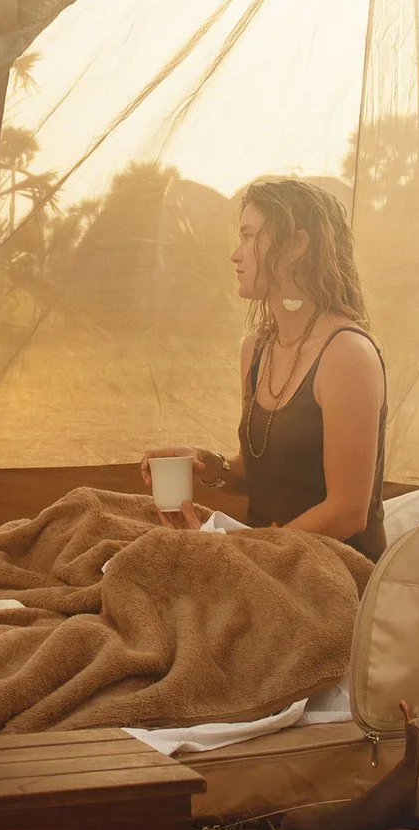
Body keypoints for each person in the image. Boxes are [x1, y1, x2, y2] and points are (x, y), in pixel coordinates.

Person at [141, 177, 387, 558]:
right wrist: (208, 465)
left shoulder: (346, 354)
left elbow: (348, 512)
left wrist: (248, 549)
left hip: (332, 565)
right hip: (266, 556)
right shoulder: (256, 350)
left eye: (248, 236)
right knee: (98, 514)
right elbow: (265, 474)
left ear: (296, 247)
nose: (235, 255)